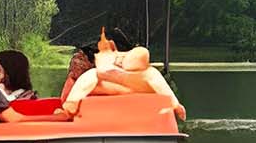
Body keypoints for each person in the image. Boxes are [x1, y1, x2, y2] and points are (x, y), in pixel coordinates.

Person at [58, 42, 186, 120]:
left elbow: (161, 85)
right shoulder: (98, 73)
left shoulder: (149, 73)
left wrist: (175, 105)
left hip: (127, 119)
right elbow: (82, 85)